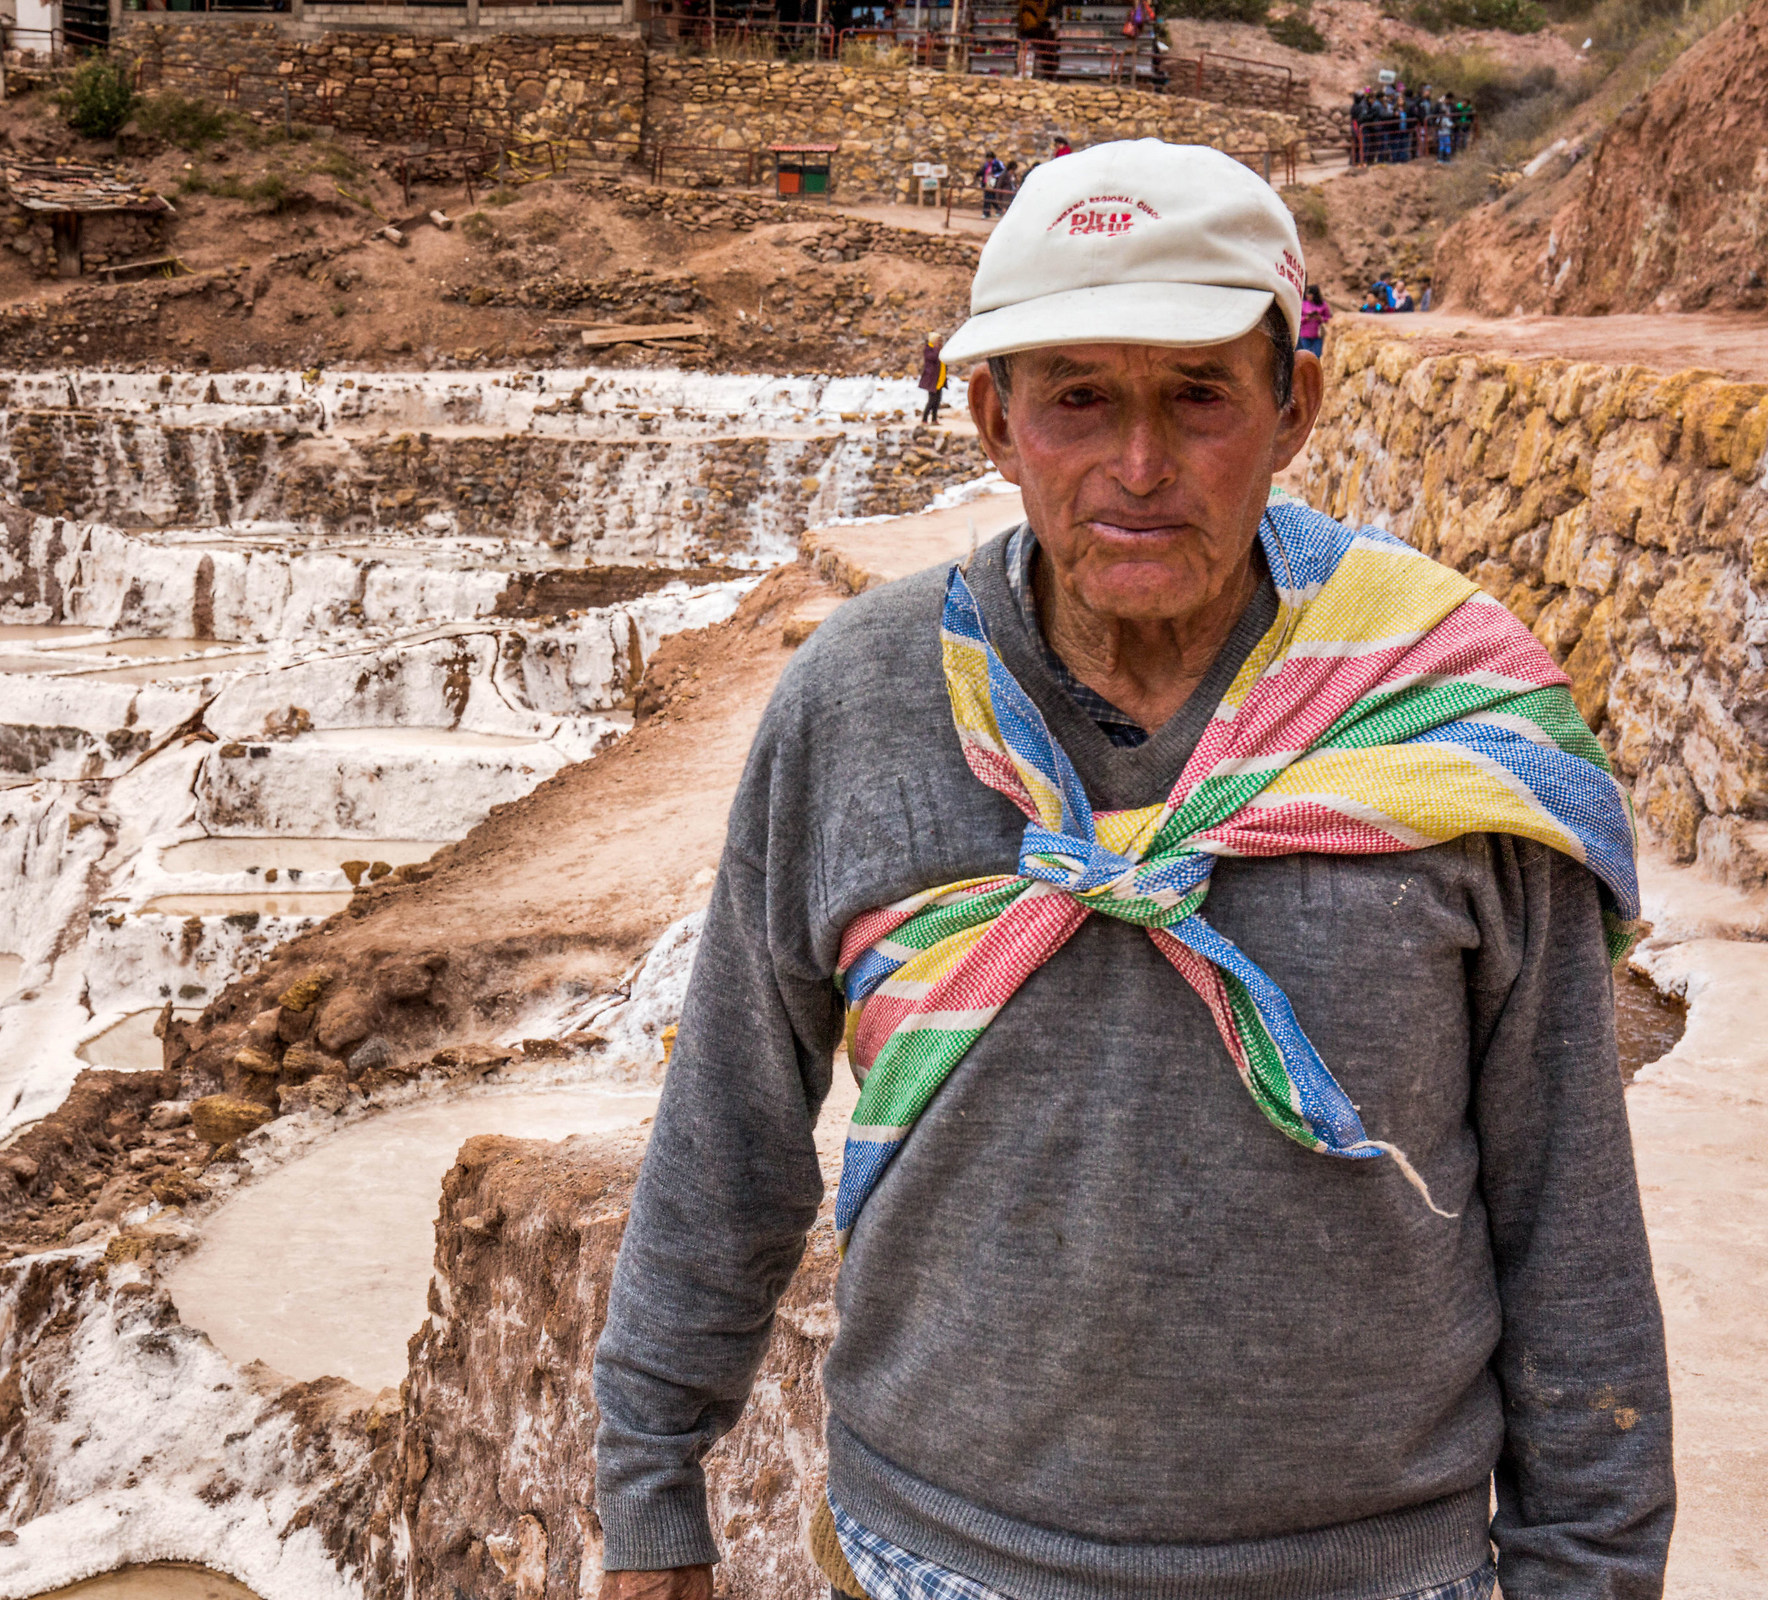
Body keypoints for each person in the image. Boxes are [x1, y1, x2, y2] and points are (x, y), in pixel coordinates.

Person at [591, 138, 1670, 1600]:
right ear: (992, 417)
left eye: (1199, 398)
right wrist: (652, 1495)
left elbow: (1570, 1218)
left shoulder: (1445, 722)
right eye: (1079, 399)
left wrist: (1590, 1567)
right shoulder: (857, 706)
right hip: (932, 1560)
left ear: (1294, 407)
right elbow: (728, 1127)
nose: (1140, 468)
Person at [915, 333, 947, 425]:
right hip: (932, 379)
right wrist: (937, 348)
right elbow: (933, 357)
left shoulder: (940, 349)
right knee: (931, 400)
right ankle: (924, 419)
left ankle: (934, 419)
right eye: (938, 341)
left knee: (937, 401)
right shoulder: (928, 349)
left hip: (940, 379)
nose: (940, 343)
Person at [1298, 281, 1330, 354]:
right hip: (1305, 335)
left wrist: (1320, 318)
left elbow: (1329, 318)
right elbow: (1298, 319)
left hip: (1318, 335)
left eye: (1309, 293)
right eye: (1306, 293)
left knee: (1318, 355)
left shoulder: (1323, 304)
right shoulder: (1303, 304)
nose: (1307, 295)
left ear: (1314, 294)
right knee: (1306, 355)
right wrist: (1305, 318)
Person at [978, 149, 1008, 217]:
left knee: (989, 197)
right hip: (987, 182)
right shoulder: (986, 164)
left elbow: (1003, 171)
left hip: (993, 183)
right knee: (990, 197)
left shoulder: (997, 163)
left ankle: (987, 213)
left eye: (989, 158)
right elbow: (983, 171)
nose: (988, 159)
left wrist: (995, 175)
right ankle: (996, 210)